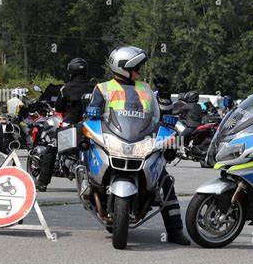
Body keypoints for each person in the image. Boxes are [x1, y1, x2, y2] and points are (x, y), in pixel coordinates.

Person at [87, 45, 190, 245]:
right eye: (136, 68)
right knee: (86, 158)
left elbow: (160, 113)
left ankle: (175, 231)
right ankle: (89, 188)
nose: (139, 72)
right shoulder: (102, 88)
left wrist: (166, 95)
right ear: (124, 67)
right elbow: (92, 110)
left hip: (140, 140)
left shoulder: (145, 89)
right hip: (113, 138)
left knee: (165, 181)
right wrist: (91, 112)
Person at [37, 57, 94, 192]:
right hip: (91, 128)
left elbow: (59, 109)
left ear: (71, 71)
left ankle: (42, 182)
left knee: (51, 148)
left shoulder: (65, 89)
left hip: (71, 127)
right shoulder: (95, 87)